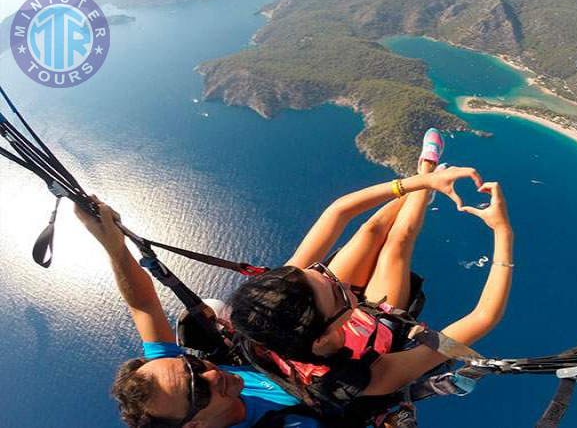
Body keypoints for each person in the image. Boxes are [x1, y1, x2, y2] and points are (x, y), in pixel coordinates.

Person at [229, 129, 514, 425]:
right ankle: (424, 183)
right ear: (324, 335)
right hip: (377, 326)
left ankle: (425, 181)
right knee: (397, 244)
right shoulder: (366, 378)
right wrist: (503, 232)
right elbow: (483, 317)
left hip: (333, 319)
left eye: (320, 271)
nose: (336, 276)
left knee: (371, 228)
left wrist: (417, 182)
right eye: (337, 288)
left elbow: (339, 212)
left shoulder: (274, 307)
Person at [75, 198, 322, 428]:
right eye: (201, 392)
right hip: (335, 387)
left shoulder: (173, 380)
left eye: (194, 365)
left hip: (294, 370)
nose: (213, 374)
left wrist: (114, 246)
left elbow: (144, 306)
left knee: (211, 307)